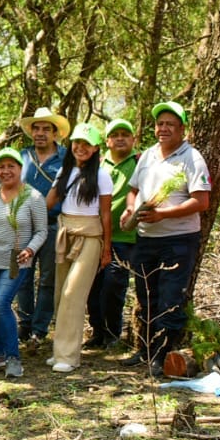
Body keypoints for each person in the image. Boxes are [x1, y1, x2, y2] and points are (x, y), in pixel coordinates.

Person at [121, 101, 212, 374]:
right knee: (146, 296)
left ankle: (162, 356)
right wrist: (130, 208)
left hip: (178, 240)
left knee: (170, 300)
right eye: (160, 124)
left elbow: (201, 201)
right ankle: (145, 350)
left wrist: (164, 214)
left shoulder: (192, 158)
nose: (163, 129)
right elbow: (133, 190)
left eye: (170, 124)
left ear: (182, 128)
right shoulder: (148, 155)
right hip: (146, 238)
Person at [44, 124, 112, 373]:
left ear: (95, 148)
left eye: (87, 144)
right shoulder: (65, 170)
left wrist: (107, 249)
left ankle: (69, 356)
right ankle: (59, 350)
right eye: (77, 143)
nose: (80, 148)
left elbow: (105, 214)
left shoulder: (102, 176)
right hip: (65, 232)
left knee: (74, 293)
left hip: (90, 236)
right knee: (61, 292)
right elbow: (50, 201)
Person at [0, 150, 49, 379]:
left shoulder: (33, 197)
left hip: (16, 260)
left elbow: (41, 231)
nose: (6, 171)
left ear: (20, 169)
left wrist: (30, 249)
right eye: (1, 167)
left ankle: (13, 356)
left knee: (0, 303)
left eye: (11, 166)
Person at [17, 107, 69, 346]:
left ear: (55, 133)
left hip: (51, 226)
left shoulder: (67, 158)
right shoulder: (22, 157)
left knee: (48, 278)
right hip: (23, 228)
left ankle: (40, 329)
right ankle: (24, 325)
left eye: (46, 129)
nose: (40, 133)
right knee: (23, 277)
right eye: (36, 128)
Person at [86, 119, 139, 350]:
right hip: (95, 235)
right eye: (114, 135)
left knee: (113, 287)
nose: (119, 138)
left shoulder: (140, 162)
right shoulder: (98, 165)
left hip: (124, 238)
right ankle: (97, 331)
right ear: (106, 141)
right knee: (92, 287)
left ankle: (112, 333)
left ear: (133, 139)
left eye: (124, 134)